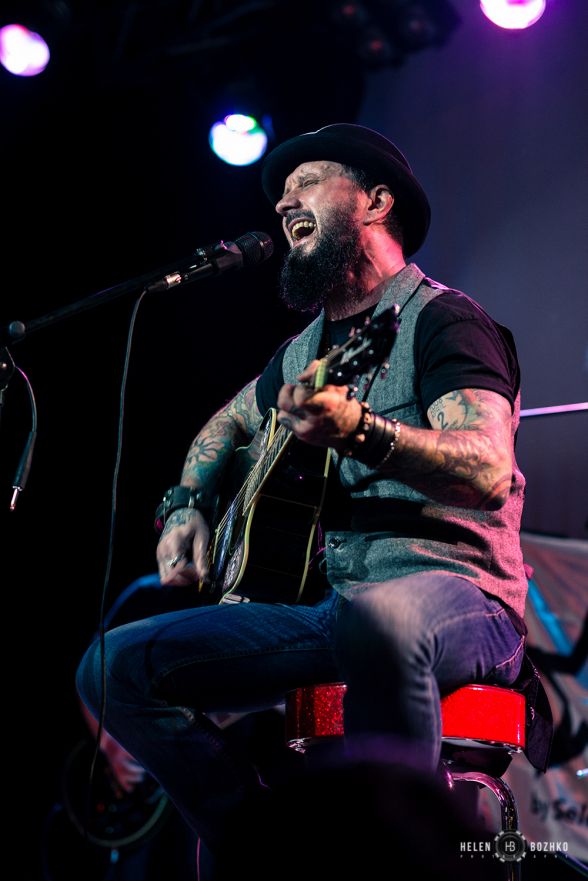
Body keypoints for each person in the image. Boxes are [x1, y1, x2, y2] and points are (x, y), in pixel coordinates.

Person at [76, 123, 529, 871]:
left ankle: (398, 860)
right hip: (333, 609)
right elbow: (224, 425)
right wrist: (186, 504)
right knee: (112, 665)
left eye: (308, 183)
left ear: (375, 201)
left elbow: (487, 469)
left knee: (386, 620)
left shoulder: (445, 320)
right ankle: (264, 849)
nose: (285, 202)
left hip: (461, 598)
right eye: (282, 194)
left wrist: (364, 431)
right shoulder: (301, 353)